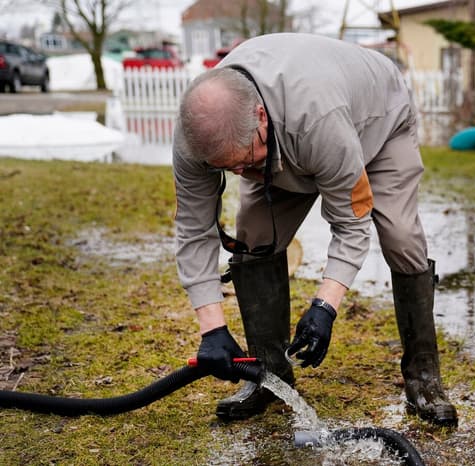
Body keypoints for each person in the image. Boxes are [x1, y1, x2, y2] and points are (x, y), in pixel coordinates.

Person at [172, 33, 458, 427]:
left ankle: (424, 375)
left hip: (377, 124)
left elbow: (352, 223)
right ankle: (268, 374)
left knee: (400, 236)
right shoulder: (197, 135)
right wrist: (212, 330)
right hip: (285, 138)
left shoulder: (319, 119)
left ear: (259, 116)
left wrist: (325, 306)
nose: (241, 175)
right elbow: (192, 229)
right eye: (229, 168)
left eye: (244, 161)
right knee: (253, 237)